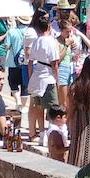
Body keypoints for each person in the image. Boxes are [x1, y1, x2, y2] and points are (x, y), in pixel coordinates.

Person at [27, 12, 61, 142]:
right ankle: (51, 136)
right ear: (49, 27)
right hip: (48, 77)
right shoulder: (51, 42)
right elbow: (54, 63)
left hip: (37, 76)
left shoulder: (36, 41)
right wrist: (57, 80)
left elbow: (30, 62)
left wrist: (31, 78)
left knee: (39, 108)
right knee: (52, 109)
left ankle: (42, 135)